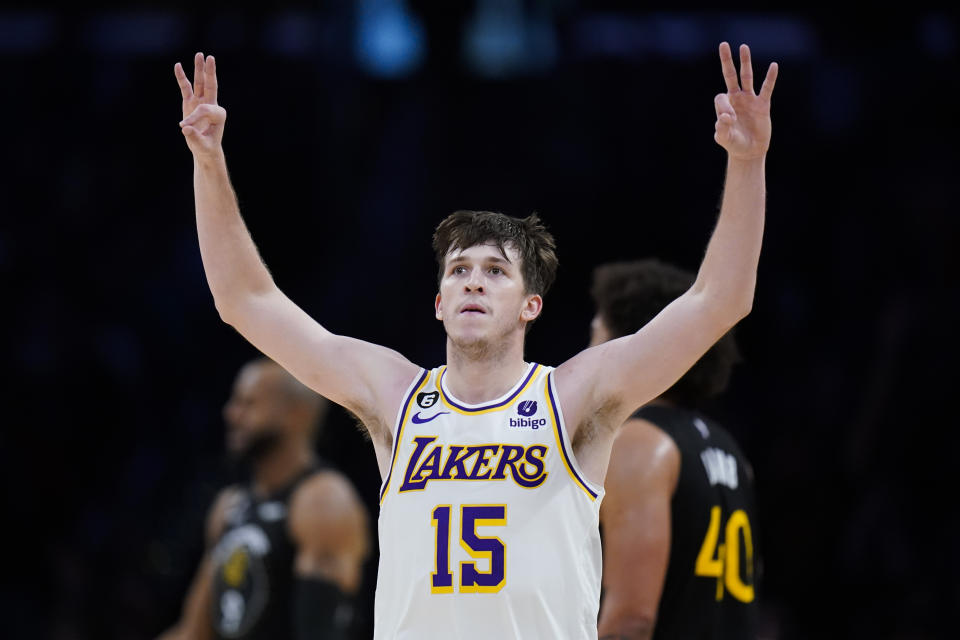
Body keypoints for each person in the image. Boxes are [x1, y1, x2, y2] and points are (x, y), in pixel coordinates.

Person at [172, 41, 777, 639]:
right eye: (458, 271)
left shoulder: (572, 394)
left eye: (495, 271)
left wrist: (747, 164)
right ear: (438, 304)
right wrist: (208, 162)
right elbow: (245, 302)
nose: (473, 283)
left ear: (529, 306)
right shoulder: (395, 393)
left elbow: (718, 300)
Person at [591, 260, 760, 639]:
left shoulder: (638, 444)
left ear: (632, 345)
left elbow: (631, 621)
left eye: (598, 336)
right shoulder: (729, 449)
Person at [158, 358, 370, 640]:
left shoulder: (322, 501)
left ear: (297, 414)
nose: (231, 414)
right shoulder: (229, 505)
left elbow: (321, 631)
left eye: (248, 404)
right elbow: (194, 632)